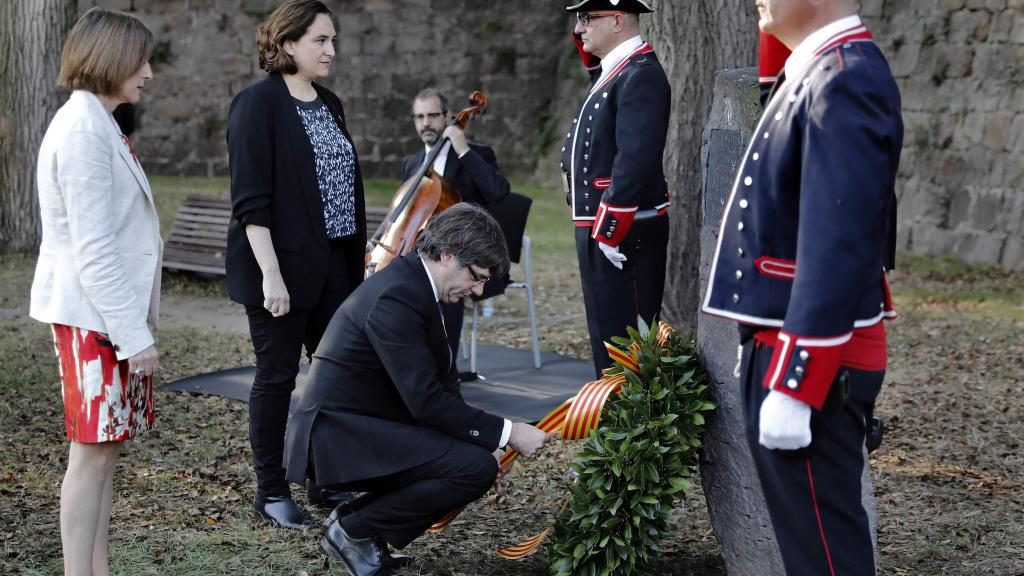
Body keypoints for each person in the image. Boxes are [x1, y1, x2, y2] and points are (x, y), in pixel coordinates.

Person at [701, 0, 902, 574]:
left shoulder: (844, 79)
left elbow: (841, 241)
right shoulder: (821, 68)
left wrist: (796, 379)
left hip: (813, 357)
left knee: (824, 557)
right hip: (789, 343)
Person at [283, 204, 549, 576]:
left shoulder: (417, 285)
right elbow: (426, 401)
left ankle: (357, 523)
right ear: (447, 255)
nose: (478, 290)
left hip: (365, 423)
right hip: (337, 435)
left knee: (474, 459)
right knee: (472, 469)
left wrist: (485, 442)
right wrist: (509, 433)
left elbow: (441, 385)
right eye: (477, 276)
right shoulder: (398, 295)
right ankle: (355, 530)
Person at [226, 0, 367, 529]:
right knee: (277, 377)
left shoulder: (329, 103)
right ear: (288, 44)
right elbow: (251, 202)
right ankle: (270, 489)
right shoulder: (255, 105)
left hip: (334, 265)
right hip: (277, 271)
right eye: (320, 41)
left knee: (335, 378)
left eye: (333, 40)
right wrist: (271, 276)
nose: (331, 50)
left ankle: (322, 478)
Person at [29, 8, 159, 575]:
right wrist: (134, 337)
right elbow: (94, 250)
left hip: (106, 317)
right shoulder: (82, 129)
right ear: (109, 59)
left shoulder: (100, 122)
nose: (149, 72)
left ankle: (97, 568)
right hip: (94, 319)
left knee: (105, 454)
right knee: (90, 457)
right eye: (140, 59)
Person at [560, 0, 671, 377]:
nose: (579, 28)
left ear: (619, 20)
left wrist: (610, 229)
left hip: (625, 229)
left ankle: (634, 428)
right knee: (606, 333)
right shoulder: (618, 70)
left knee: (627, 338)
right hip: (603, 225)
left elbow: (636, 157)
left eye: (588, 18)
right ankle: (613, 422)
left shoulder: (641, 74)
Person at [400, 88, 511, 372]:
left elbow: (498, 192)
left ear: (449, 117)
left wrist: (463, 150)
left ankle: (444, 373)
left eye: (433, 116)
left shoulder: (477, 154)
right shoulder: (412, 163)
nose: (425, 123)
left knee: (447, 275)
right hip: (421, 255)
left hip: (466, 258)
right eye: (419, 117)